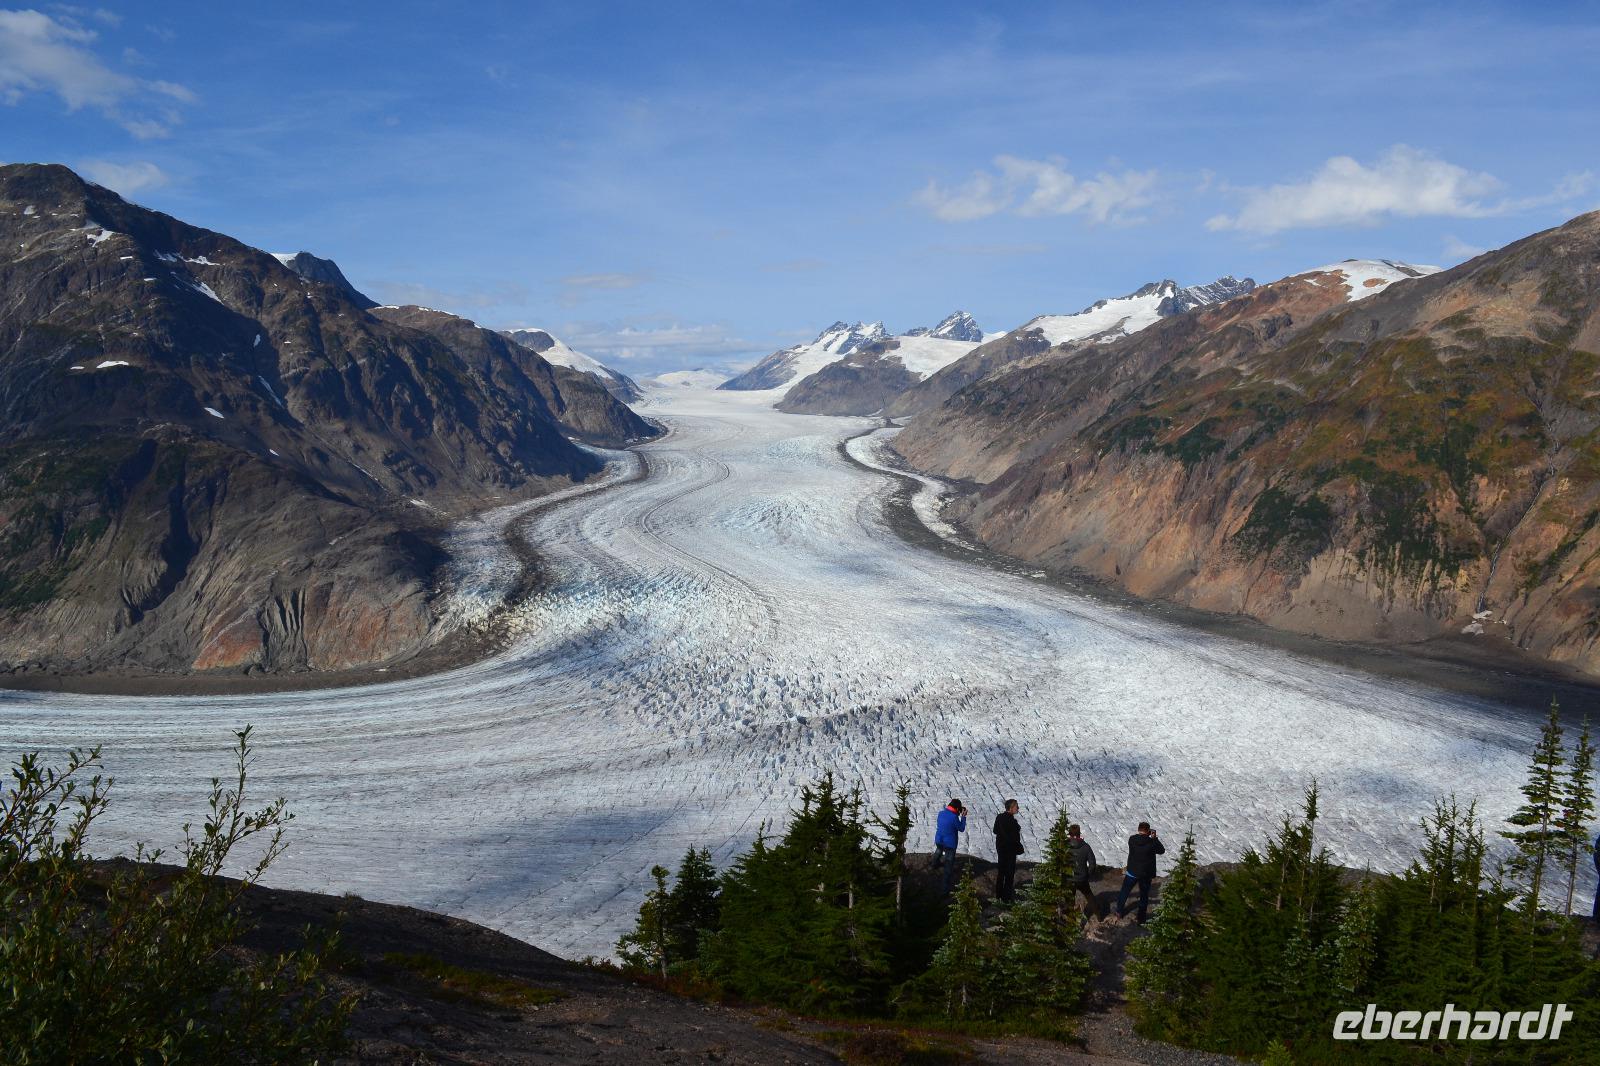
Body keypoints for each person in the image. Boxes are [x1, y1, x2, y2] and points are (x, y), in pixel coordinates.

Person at [1116, 821, 1165, 922]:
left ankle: (1119, 912)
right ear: (1148, 831)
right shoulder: (1152, 843)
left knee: (1124, 892)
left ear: (1139, 830)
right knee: (1144, 895)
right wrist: (1154, 838)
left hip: (1132, 872)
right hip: (1145, 874)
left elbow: (1139, 839)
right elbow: (1161, 850)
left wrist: (1147, 836)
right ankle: (1141, 918)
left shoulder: (1132, 839)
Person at [1068, 824, 1102, 919]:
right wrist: (1088, 874)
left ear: (1069, 834)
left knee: (1070, 898)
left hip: (1069, 878)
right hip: (1082, 878)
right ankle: (1099, 916)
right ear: (1079, 834)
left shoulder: (1064, 846)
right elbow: (1092, 863)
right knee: (1089, 897)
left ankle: (1070, 919)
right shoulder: (1086, 847)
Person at [992, 799, 1024, 902]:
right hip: (1010, 849)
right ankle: (1006, 898)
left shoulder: (999, 817)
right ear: (1011, 808)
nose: (1018, 808)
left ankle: (998, 895)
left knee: (1001, 872)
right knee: (1009, 874)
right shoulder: (1012, 821)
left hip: (1000, 847)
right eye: (1016, 806)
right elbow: (1014, 838)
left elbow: (995, 830)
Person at [934, 798, 967, 894]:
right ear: (956, 808)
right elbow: (961, 828)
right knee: (949, 864)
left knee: (938, 851)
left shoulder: (941, 813)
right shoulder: (954, 817)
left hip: (939, 839)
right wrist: (963, 817)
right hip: (950, 844)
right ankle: (945, 888)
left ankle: (934, 864)